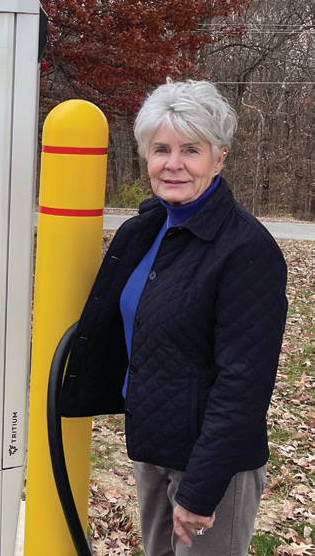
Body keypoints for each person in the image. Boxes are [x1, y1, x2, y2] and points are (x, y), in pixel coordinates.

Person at [59, 80, 288, 555]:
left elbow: (243, 383)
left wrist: (201, 490)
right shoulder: (143, 232)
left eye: (191, 149)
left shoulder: (246, 250)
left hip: (213, 467)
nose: (173, 163)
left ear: (219, 157)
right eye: (160, 149)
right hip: (153, 449)